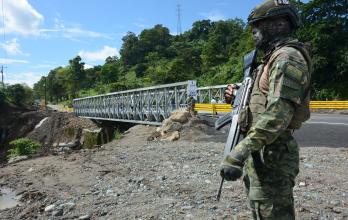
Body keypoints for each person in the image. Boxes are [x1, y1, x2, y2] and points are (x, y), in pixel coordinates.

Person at [220, 0, 312, 219]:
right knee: (261, 210)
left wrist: (238, 152)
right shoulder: (270, 59)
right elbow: (262, 101)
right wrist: (237, 98)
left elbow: (278, 114)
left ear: (278, 23)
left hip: (273, 152)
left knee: (272, 211)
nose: (253, 31)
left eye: (257, 25)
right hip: (261, 148)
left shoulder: (287, 57)